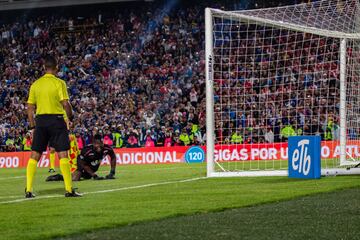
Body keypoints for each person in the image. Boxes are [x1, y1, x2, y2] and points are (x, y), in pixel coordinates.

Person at [25, 55, 81, 198]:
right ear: (56, 68)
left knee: (35, 155)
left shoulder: (35, 84)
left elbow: (30, 108)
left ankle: (29, 190)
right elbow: (66, 104)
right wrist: (70, 117)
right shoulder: (59, 83)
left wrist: (32, 127)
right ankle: (69, 190)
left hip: (41, 121)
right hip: (56, 120)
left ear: (44, 68)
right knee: (63, 153)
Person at [46, 134, 116, 181]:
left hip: (92, 166)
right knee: (75, 179)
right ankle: (58, 177)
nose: (98, 146)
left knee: (87, 177)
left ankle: (89, 174)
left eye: (100, 143)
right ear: (93, 143)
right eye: (96, 144)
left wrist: (112, 172)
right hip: (81, 162)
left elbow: (113, 157)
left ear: (102, 142)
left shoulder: (107, 148)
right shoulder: (87, 150)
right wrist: (94, 175)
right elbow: (83, 164)